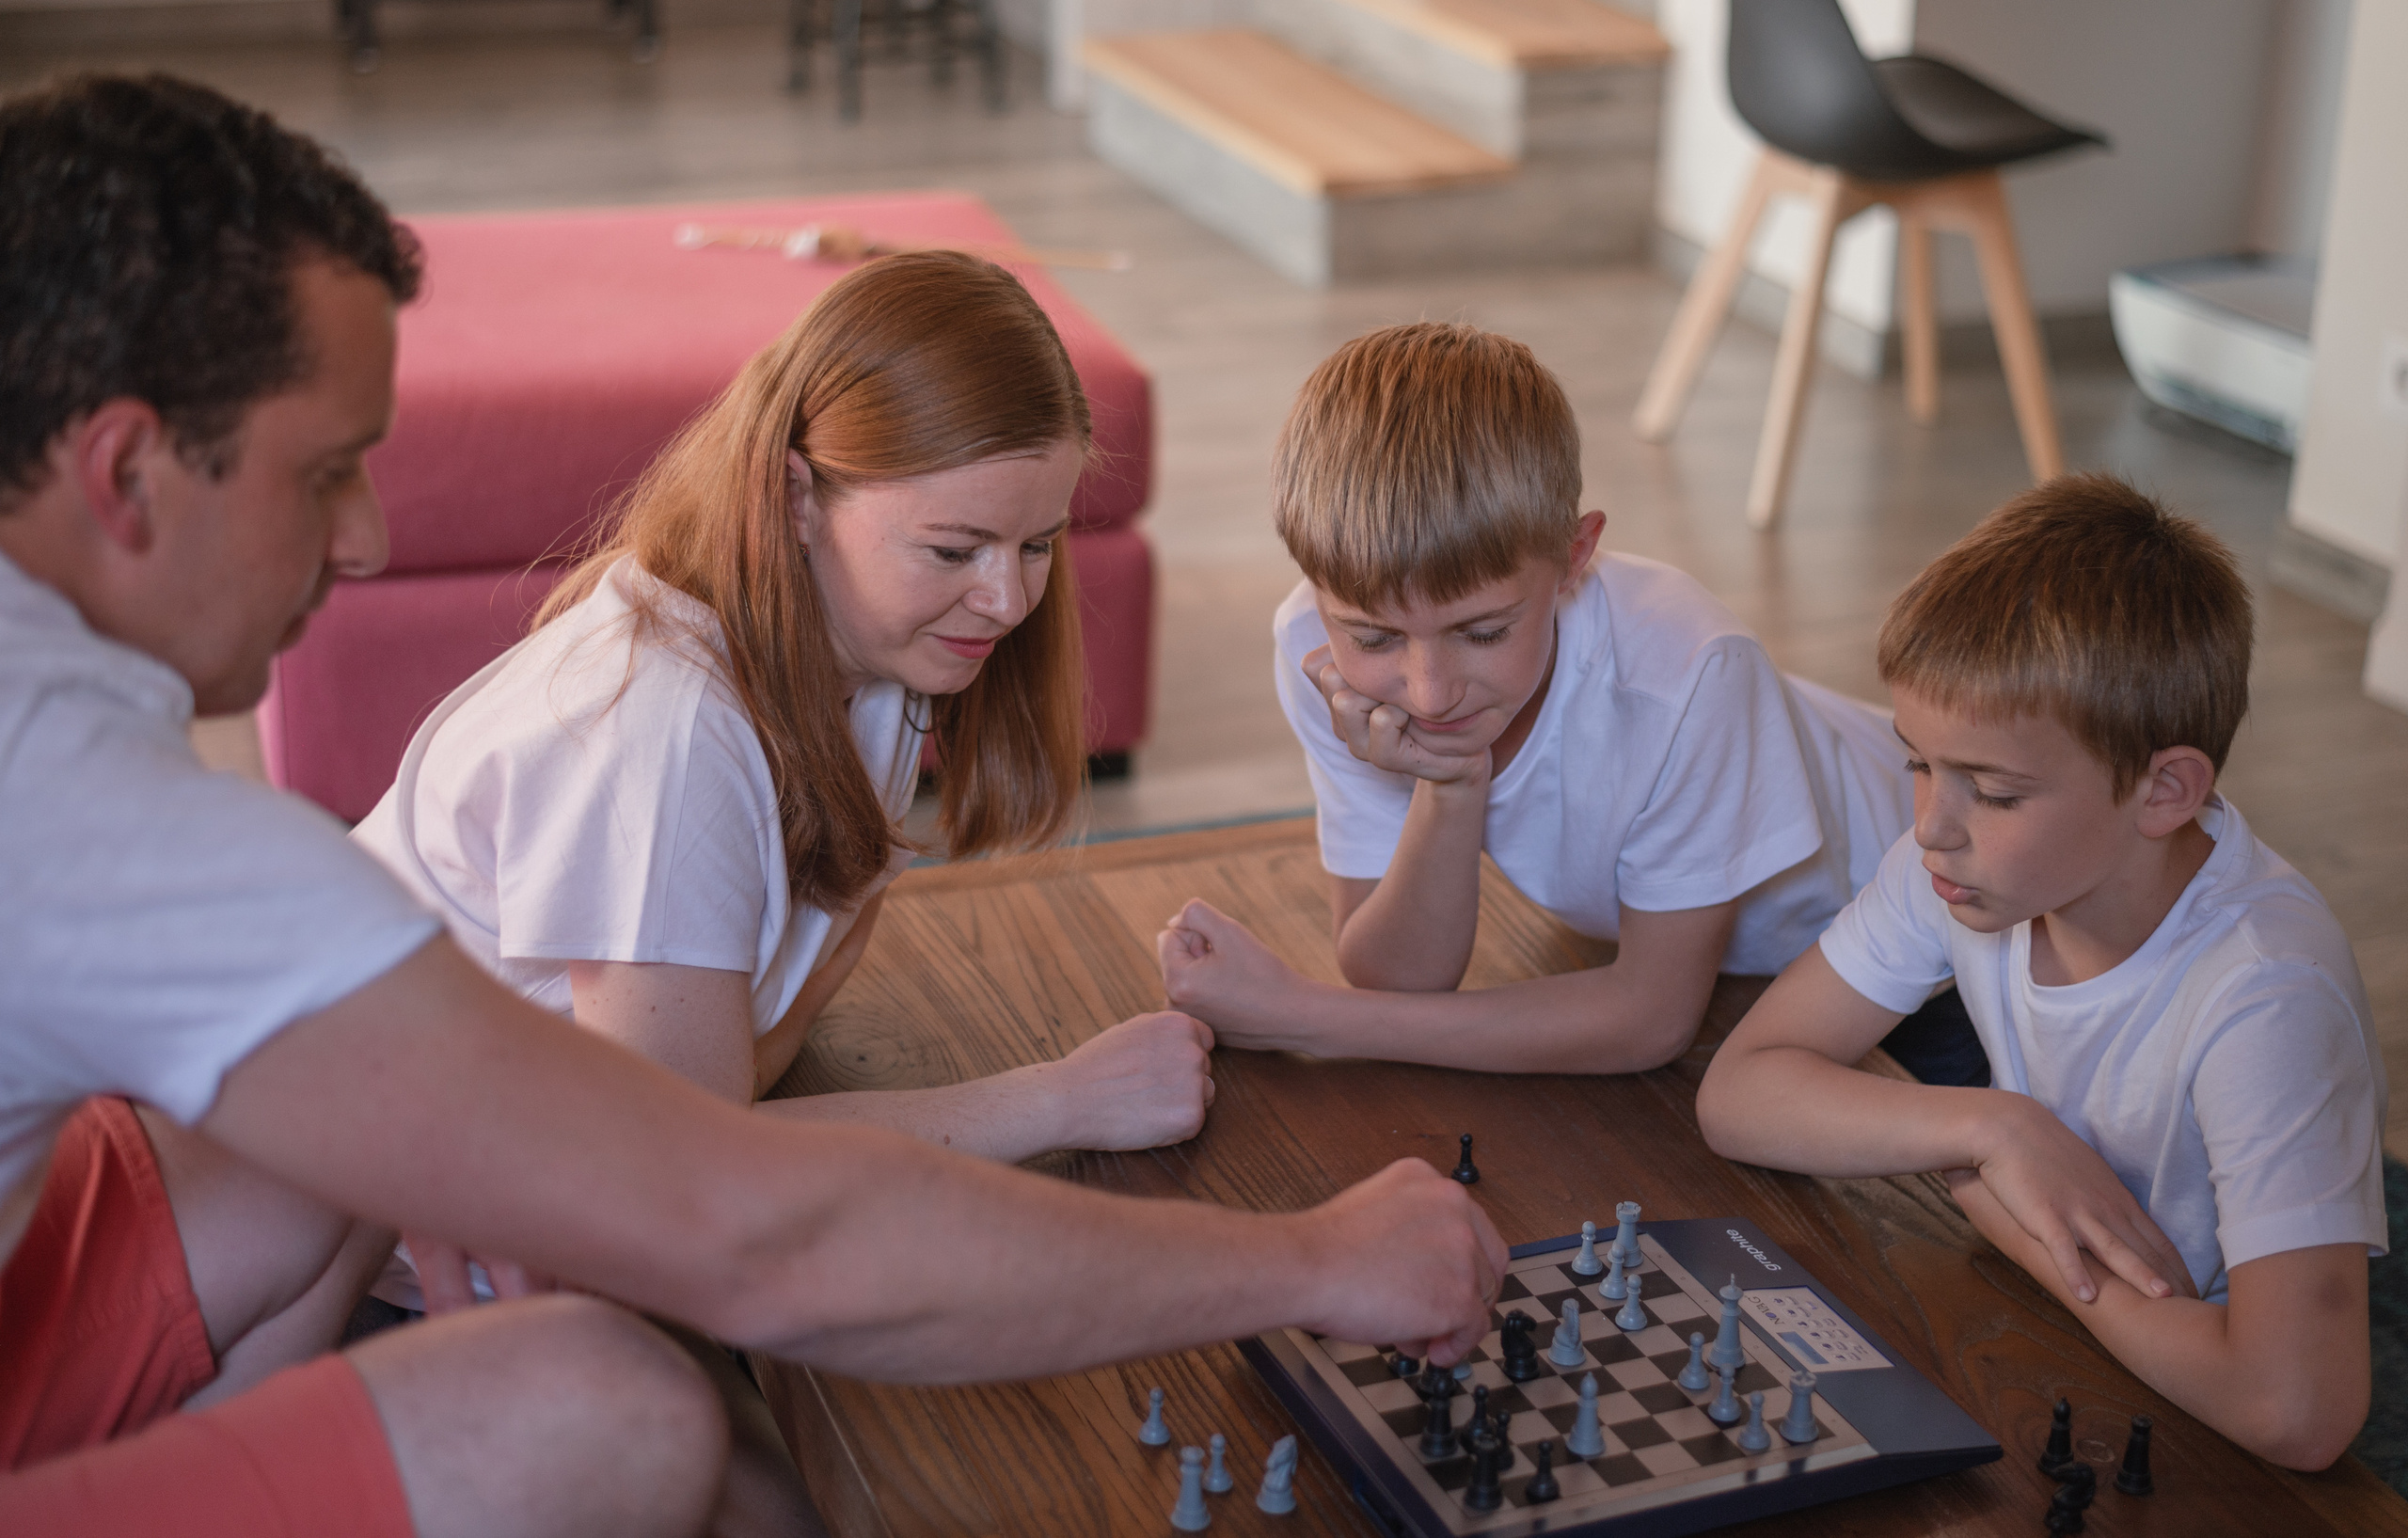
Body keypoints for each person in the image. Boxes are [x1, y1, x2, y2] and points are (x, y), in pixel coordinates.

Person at [0, 71, 1507, 1538]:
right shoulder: (128, 817)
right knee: (617, 1401)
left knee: (342, 1163)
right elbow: (761, 1234)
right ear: (126, 466)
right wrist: (1305, 1258)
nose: (372, 537)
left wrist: (523, 1137)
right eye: (325, 472)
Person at [351, 252, 1214, 1307]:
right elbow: (688, 1181)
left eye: (1036, 545)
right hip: (410, 1282)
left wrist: (727, 1086)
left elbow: (737, 1072)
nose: (1005, 599)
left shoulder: (869, 655)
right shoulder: (665, 734)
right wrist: (1060, 1100)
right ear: (797, 498)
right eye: (953, 550)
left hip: (573, 1224)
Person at [1695, 477, 2384, 1470]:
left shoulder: (2264, 995)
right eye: (1917, 764)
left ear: (2163, 790)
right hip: (2099, 1340)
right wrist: (1993, 1127)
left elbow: (2296, 1412)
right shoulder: (1959, 865)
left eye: (1996, 791)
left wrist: (2018, 1230)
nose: (1931, 822)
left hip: (2198, 1396)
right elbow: (1740, 1091)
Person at [1156, 322, 1972, 1080]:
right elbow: (1396, 976)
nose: (1429, 691)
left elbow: (1650, 1019)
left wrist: (1308, 1016)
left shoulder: (1691, 673)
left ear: (1576, 554)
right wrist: (1451, 782)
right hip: (1699, 961)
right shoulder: (1311, 642)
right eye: (1372, 637)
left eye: (1482, 632)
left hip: (1944, 943)